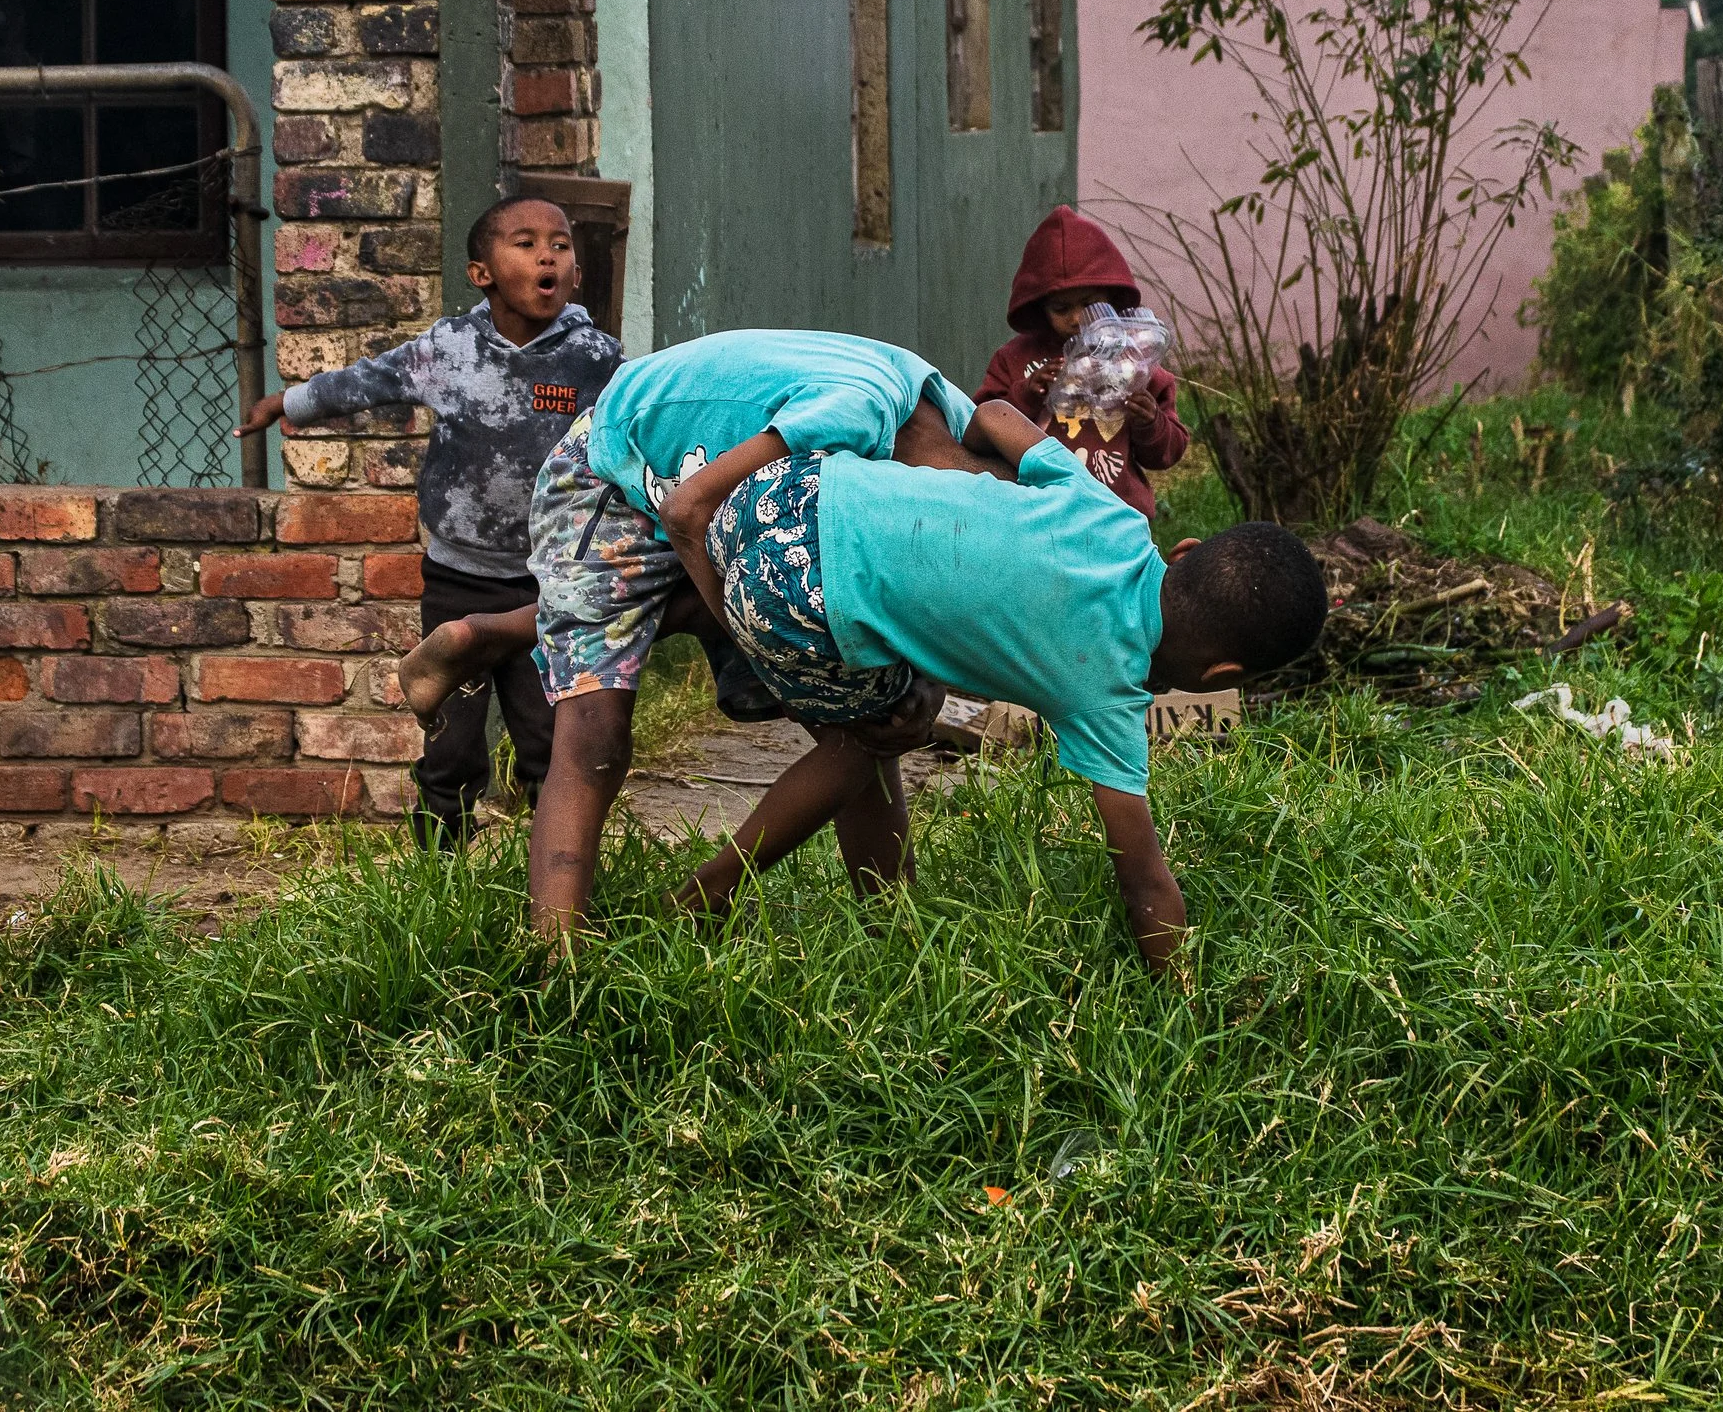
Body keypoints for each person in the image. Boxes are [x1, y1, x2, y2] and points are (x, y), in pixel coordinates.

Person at [664, 397, 1328, 971]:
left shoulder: (1116, 518)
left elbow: (995, 415)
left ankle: (890, 924)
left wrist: (979, 473)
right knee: (866, 740)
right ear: (1221, 678)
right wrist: (1182, 998)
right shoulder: (1107, 695)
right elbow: (1145, 882)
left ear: (1183, 551)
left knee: (884, 706)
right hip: (797, 594)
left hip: (777, 488)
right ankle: (709, 891)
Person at [395, 329, 1005, 942]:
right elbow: (687, 514)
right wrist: (762, 642)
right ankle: (556, 962)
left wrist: (915, 677)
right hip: (614, 471)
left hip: (725, 484)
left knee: (867, 718)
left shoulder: (952, 432)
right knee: (595, 735)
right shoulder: (858, 419)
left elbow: (912, 597)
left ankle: (896, 937)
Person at [237, 194, 622, 850]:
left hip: (550, 588)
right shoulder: (450, 349)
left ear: (576, 274)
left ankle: (554, 868)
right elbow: (369, 381)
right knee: (452, 742)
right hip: (459, 580)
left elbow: (633, 434)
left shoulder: (595, 358)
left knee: (548, 740)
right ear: (483, 273)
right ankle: (440, 867)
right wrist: (289, 402)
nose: (547, 254)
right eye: (525, 243)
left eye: (559, 243)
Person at [976, 204, 1191, 522]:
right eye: (1061, 308)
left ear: (1113, 297)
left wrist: (1150, 422)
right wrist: (1025, 396)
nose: (1077, 319)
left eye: (1090, 304)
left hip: (1116, 516)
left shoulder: (1134, 359)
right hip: (1036, 512)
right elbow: (978, 429)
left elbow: (1167, 453)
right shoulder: (1014, 360)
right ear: (1039, 307)